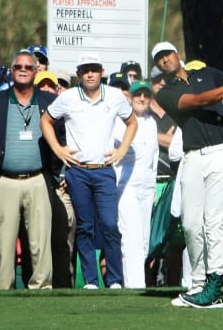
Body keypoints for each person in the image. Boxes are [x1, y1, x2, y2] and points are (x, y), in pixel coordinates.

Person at [151, 41, 223, 308]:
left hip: (221, 153)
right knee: (191, 224)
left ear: (177, 55)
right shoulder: (165, 93)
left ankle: (213, 287)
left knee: (214, 222)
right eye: (158, 59)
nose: (164, 60)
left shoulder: (208, 74)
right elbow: (197, 101)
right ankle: (197, 284)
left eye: (166, 54)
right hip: (192, 157)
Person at [41, 52, 137, 290]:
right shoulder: (69, 98)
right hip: (78, 171)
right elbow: (46, 120)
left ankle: (114, 280)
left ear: (101, 72)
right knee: (85, 226)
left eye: (94, 69)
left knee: (110, 225)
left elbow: (132, 122)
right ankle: (91, 281)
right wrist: (58, 149)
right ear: (79, 73)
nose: (90, 74)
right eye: (85, 70)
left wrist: (122, 150)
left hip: (104, 170)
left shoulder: (114, 96)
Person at [0, 49, 59, 289]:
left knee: (40, 243)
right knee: (3, 244)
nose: (23, 70)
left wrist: (58, 167)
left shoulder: (49, 101)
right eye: (18, 66)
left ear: (35, 71)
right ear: (11, 71)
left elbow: (62, 133)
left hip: (38, 179)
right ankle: (2, 292)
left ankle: (41, 289)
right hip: (4, 180)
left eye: (28, 67)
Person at [115, 80, 158, 288]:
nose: (142, 99)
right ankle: (134, 286)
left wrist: (153, 186)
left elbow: (155, 157)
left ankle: (137, 283)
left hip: (147, 187)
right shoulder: (119, 123)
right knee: (130, 237)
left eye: (146, 95)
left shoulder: (151, 122)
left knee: (143, 240)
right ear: (130, 98)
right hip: (126, 186)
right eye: (138, 95)